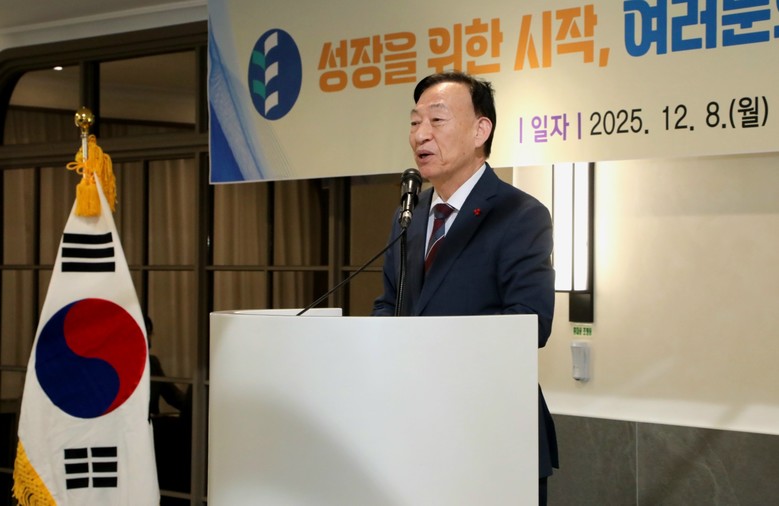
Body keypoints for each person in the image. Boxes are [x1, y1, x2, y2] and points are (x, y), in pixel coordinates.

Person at [372, 71, 558, 505]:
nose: (421, 134)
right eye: (415, 122)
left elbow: (530, 322)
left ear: (480, 130)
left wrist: (429, 349)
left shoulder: (519, 214)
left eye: (437, 120)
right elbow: (389, 303)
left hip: (492, 436)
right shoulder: (410, 215)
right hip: (416, 434)